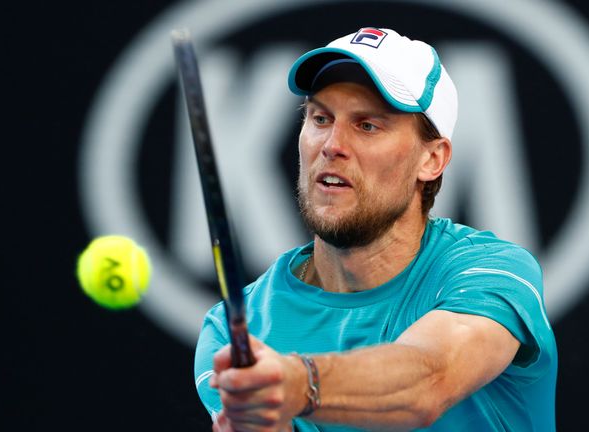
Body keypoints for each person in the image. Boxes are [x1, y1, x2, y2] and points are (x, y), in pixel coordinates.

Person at [194, 27, 557, 432]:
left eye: (367, 125)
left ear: (432, 160)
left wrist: (298, 383)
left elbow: (431, 377)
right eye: (320, 118)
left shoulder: (493, 272)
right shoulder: (231, 333)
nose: (332, 144)